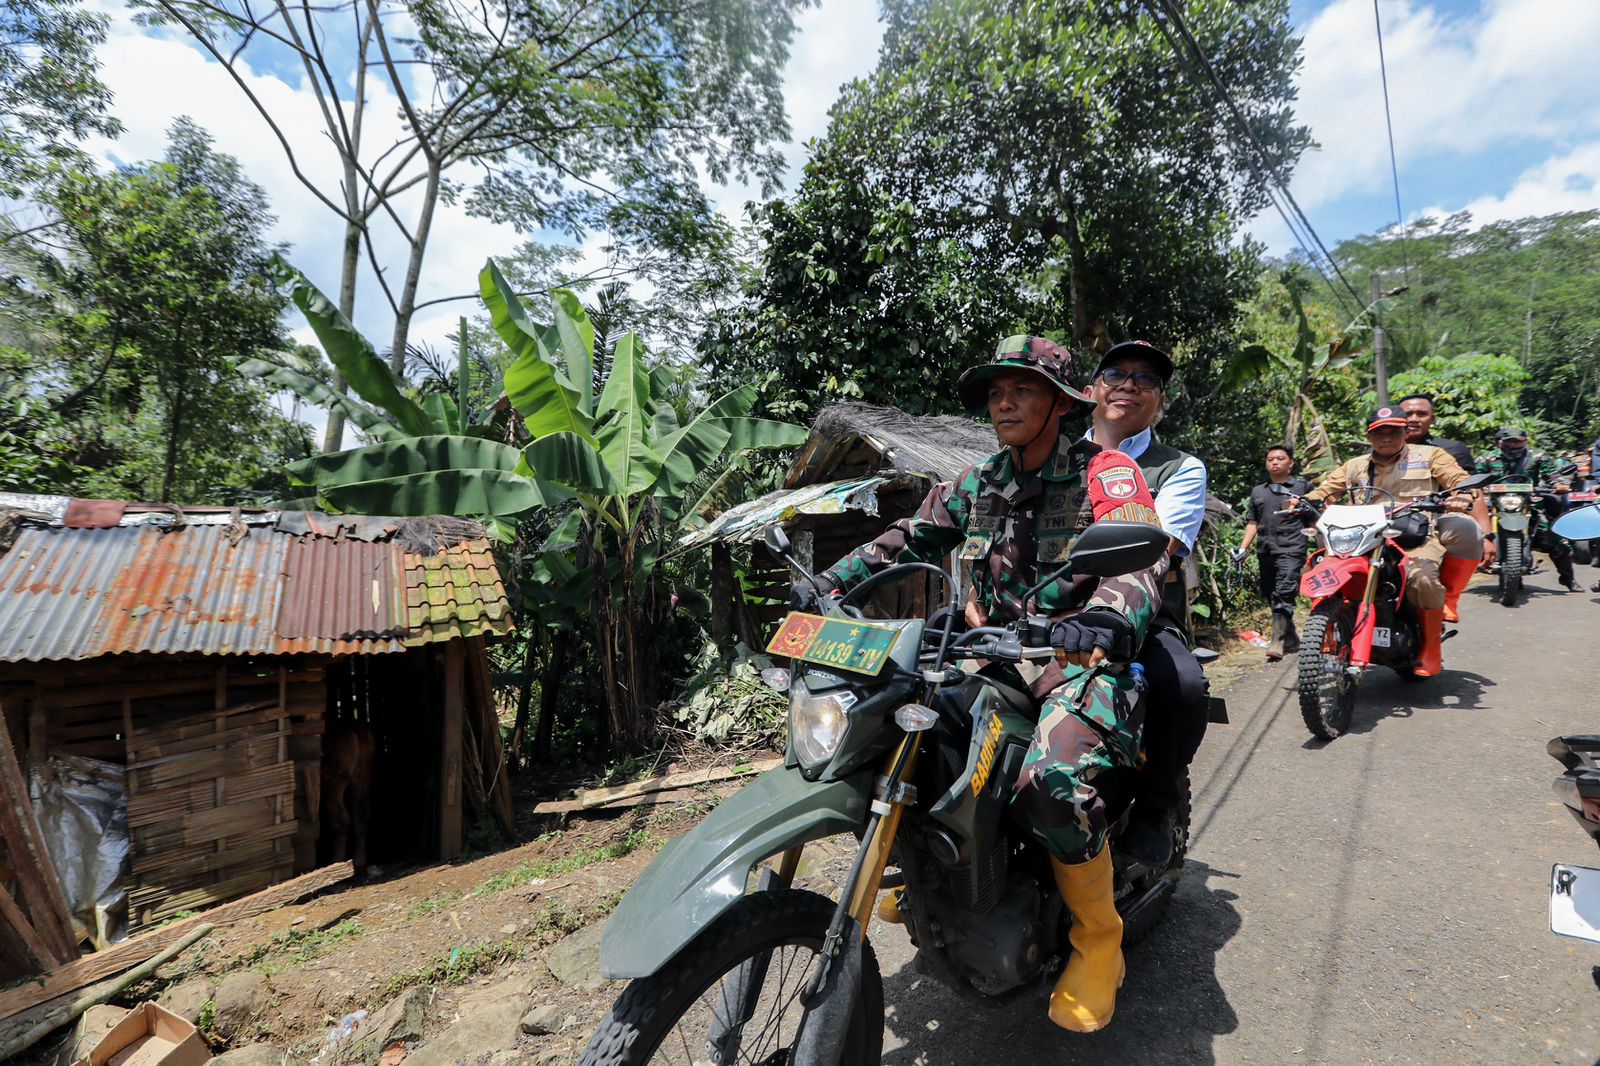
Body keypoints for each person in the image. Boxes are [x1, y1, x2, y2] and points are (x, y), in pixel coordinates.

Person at [788, 335, 1167, 1033]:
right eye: (996, 392)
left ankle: (1098, 937)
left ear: (1062, 403)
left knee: (1049, 784)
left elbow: (1142, 556)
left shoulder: (1105, 471)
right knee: (899, 737)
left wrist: (1109, 618)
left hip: (1075, 660)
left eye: (1022, 389)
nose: (1004, 403)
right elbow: (908, 538)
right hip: (986, 653)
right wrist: (828, 584)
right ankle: (939, 875)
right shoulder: (976, 480)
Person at [1074, 340, 1210, 870]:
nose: (1129, 384)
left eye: (1146, 379)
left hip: (1141, 615)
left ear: (1161, 402)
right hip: (1049, 611)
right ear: (1091, 390)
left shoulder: (1179, 468)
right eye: (1116, 374)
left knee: (1184, 685)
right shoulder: (1055, 457)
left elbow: (1159, 546)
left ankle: (1157, 805)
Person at [1296, 406, 1486, 675]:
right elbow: (1326, 490)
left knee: (1423, 581)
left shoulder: (1429, 456)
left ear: (1405, 432)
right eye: (1379, 432)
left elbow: (1458, 478)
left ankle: (1431, 648)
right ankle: (1328, 628)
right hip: (1362, 535)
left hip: (1413, 534)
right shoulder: (1354, 465)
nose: (1386, 437)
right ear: (1369, 436)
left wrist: (1463, 494)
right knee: (1321, 570)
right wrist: (1302, 502)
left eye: (1394, 431)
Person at [1478, 427, 1582, 592]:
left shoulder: (1537, 457)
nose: (1513, 445)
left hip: (1529, 504)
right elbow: (1475, 476)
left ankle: (1568, 578)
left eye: (1517, 441)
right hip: (1496, 504)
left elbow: (1552, 474)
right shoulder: (1488, 458)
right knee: (1473, 531)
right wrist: (1475, 487)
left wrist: (1560, 483)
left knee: (1554, 538)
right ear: (1501, 442)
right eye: (1509, 441)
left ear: (1524, 441)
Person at [1236, 444, 1314, 661]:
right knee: (1270, 593)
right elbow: (1253, 522)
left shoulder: (1303, 488)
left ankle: (1276, 641)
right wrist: (1242, 548)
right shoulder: (1259, 491)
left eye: (1280, 458)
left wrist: (1323, 549)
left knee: (1284, 592)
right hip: (1265, 550)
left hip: (1292, 548)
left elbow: (1314, 519)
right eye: (1270, 459)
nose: (1275, 462)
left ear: (1291, 463)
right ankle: (1291, 637)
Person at [1399, 393, 1477, 473]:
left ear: (1433, 419)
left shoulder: (1453, 449)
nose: (1414, 419)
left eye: (1422, 414)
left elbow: (1468, 480)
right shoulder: (1390, 450)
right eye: (1407, 414)